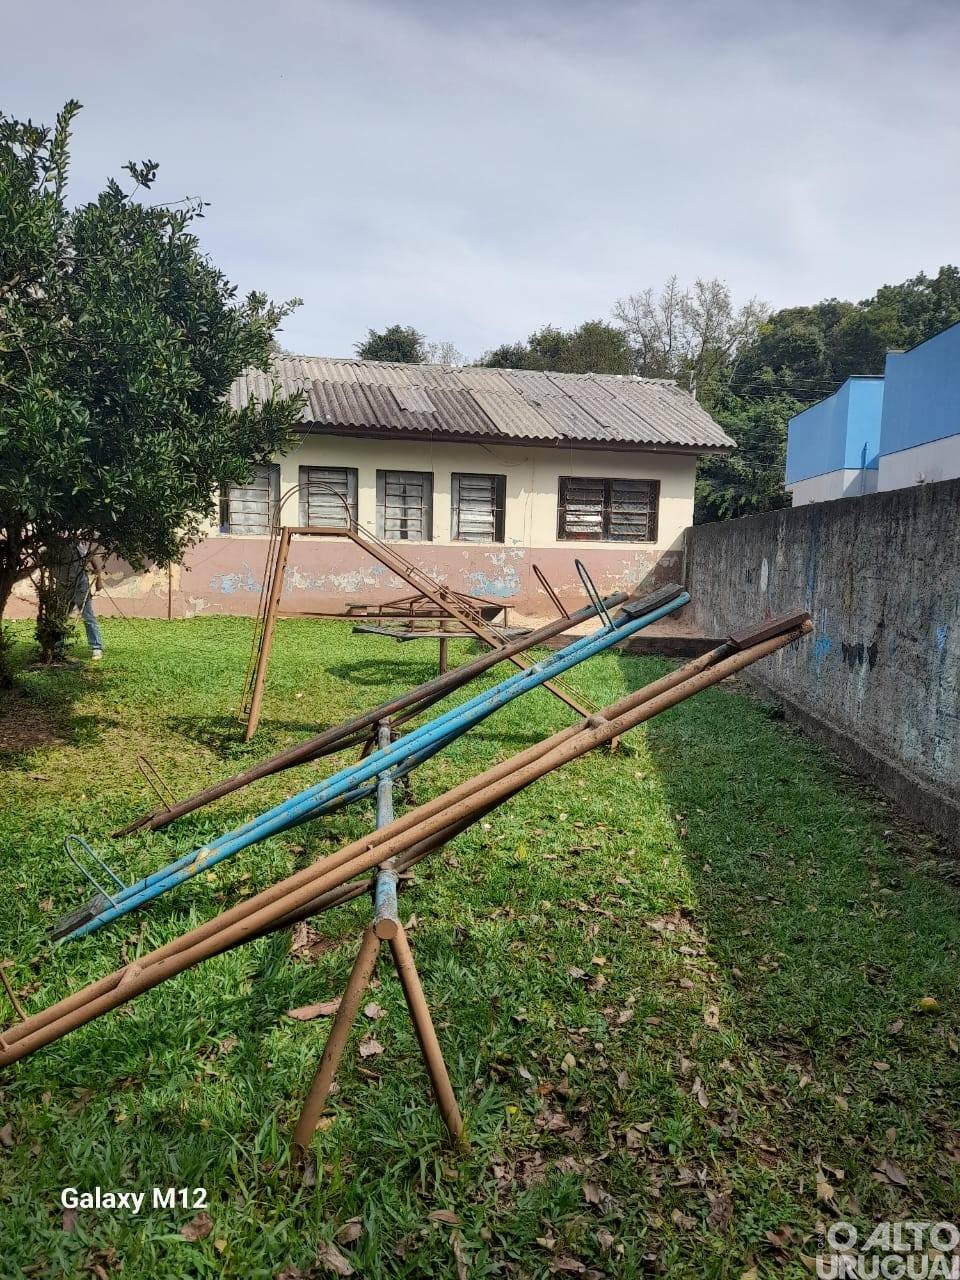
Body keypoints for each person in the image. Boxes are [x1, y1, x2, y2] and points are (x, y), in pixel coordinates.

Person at [52, 541, 105, 662]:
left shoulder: (77, 546)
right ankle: (57, 648)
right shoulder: (54, 550)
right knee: (60, 617)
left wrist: (99, 580)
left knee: (88, 617)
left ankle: (96, 647)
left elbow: (91, 557)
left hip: (81, 586)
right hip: (63, 587)